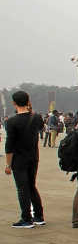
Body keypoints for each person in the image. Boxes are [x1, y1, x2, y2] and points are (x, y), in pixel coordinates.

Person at [4, 91, 46, 228]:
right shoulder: (37, 118)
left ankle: (26, 218)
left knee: (22, 189)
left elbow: (9, 145)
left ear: (13, 103)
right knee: (31, 186)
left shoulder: (11, 122)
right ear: (29, 101)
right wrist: (30, 109)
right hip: (33, 157)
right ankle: (39, 216)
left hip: (19, 160)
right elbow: (39, 126)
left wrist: (8, 164)